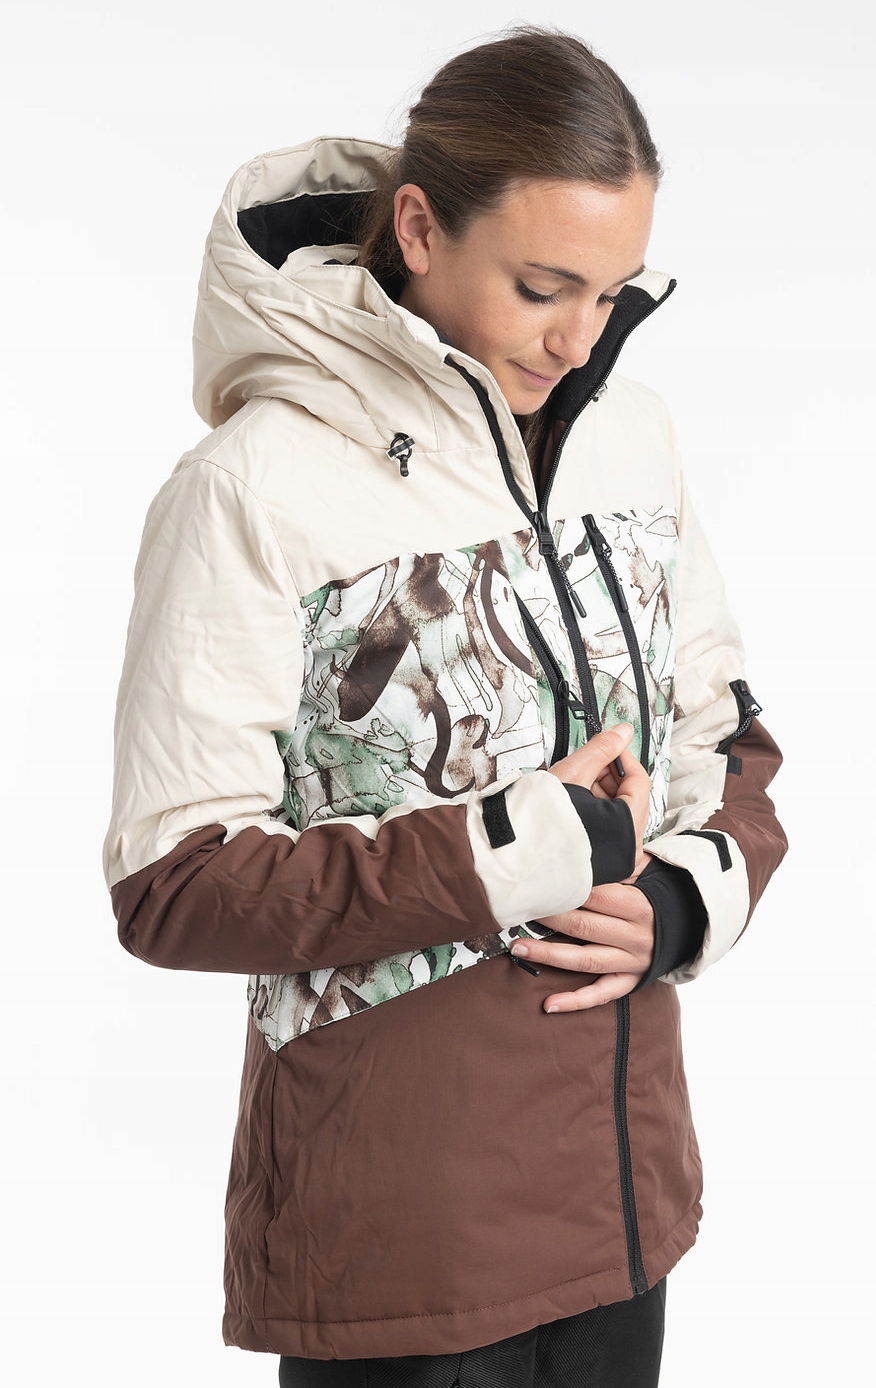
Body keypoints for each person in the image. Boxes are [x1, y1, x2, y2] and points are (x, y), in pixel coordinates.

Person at [103, 26, 787, 1388]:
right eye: (542, 286)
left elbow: (725, 740)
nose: (579, 339)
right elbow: (172, 888)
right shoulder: (254, 485)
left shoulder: (632, 435)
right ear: (418, 229)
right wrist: (507, 849)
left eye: (612, 291)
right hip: (401, 1239)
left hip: (627, 1208)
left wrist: (682, 900)